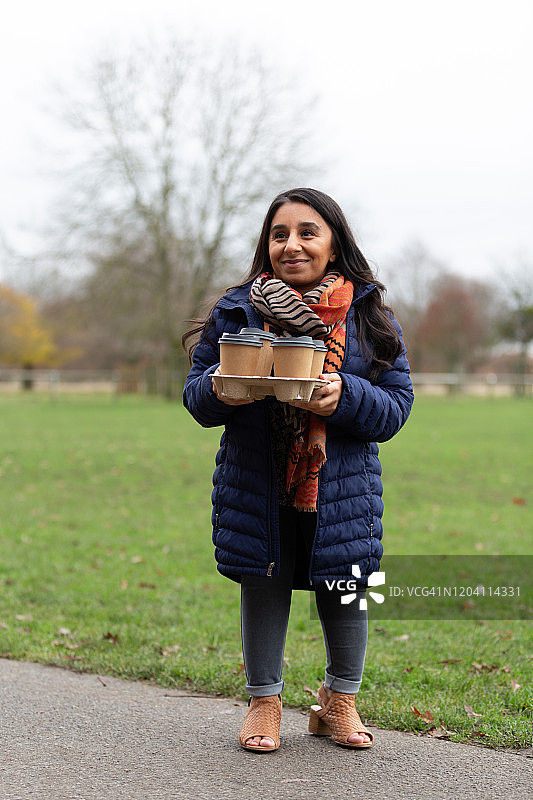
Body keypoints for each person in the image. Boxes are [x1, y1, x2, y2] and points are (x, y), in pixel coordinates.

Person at [182, 188, 414, 752]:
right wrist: (222, 390)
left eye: (308, 233)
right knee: (263, 583)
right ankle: (264, 703)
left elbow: (397, 405)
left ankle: (339, 702)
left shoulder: (368, 316)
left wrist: (346, 396)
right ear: (267, 244)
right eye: (279, 234)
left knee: (345, 584)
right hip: (257, 481)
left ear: (333, 246)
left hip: (342, 488)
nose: (292, 245)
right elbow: (195, 397)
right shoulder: (236, 308)